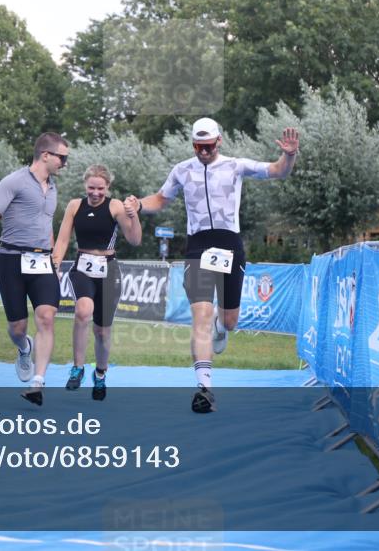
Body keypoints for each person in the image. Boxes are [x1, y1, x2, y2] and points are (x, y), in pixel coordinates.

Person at [126, 117, 299, 413]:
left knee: (228, 321)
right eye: (197, 147)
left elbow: (276, 171)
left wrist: (289, 155)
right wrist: (138, 205)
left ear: (219, 141)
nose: (203, 152)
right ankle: (204, 389)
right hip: (198, 246)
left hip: (230, 243)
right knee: (201, 314)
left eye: (208, 147)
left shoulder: (236, 165)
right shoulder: (181, 170)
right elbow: (160, 199)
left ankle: (223, 326)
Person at [0, 132, 70, 406]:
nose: (64, 163)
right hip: (11, 259)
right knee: (17, 327)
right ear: (46, 155)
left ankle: (38, 383)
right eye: (62, 157)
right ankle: (23, 348)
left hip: (42, 261)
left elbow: (47, 225)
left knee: (47, 317)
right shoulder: (13, 181)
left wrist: (54, 260)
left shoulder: (53, 188)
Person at [52, 164, 142, 400]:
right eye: (91, 187)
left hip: (108, 269)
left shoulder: (115, 207)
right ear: (85, 185)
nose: (95, 193)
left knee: (102, 330)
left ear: (107, 187)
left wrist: (134, 217)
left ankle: (100, 374)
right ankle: (78, 368)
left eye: (100, 188)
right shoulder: (74, 206)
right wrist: (55, 264)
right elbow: (62, 240)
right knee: (83, 311)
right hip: (82, 266)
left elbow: (134, 240)